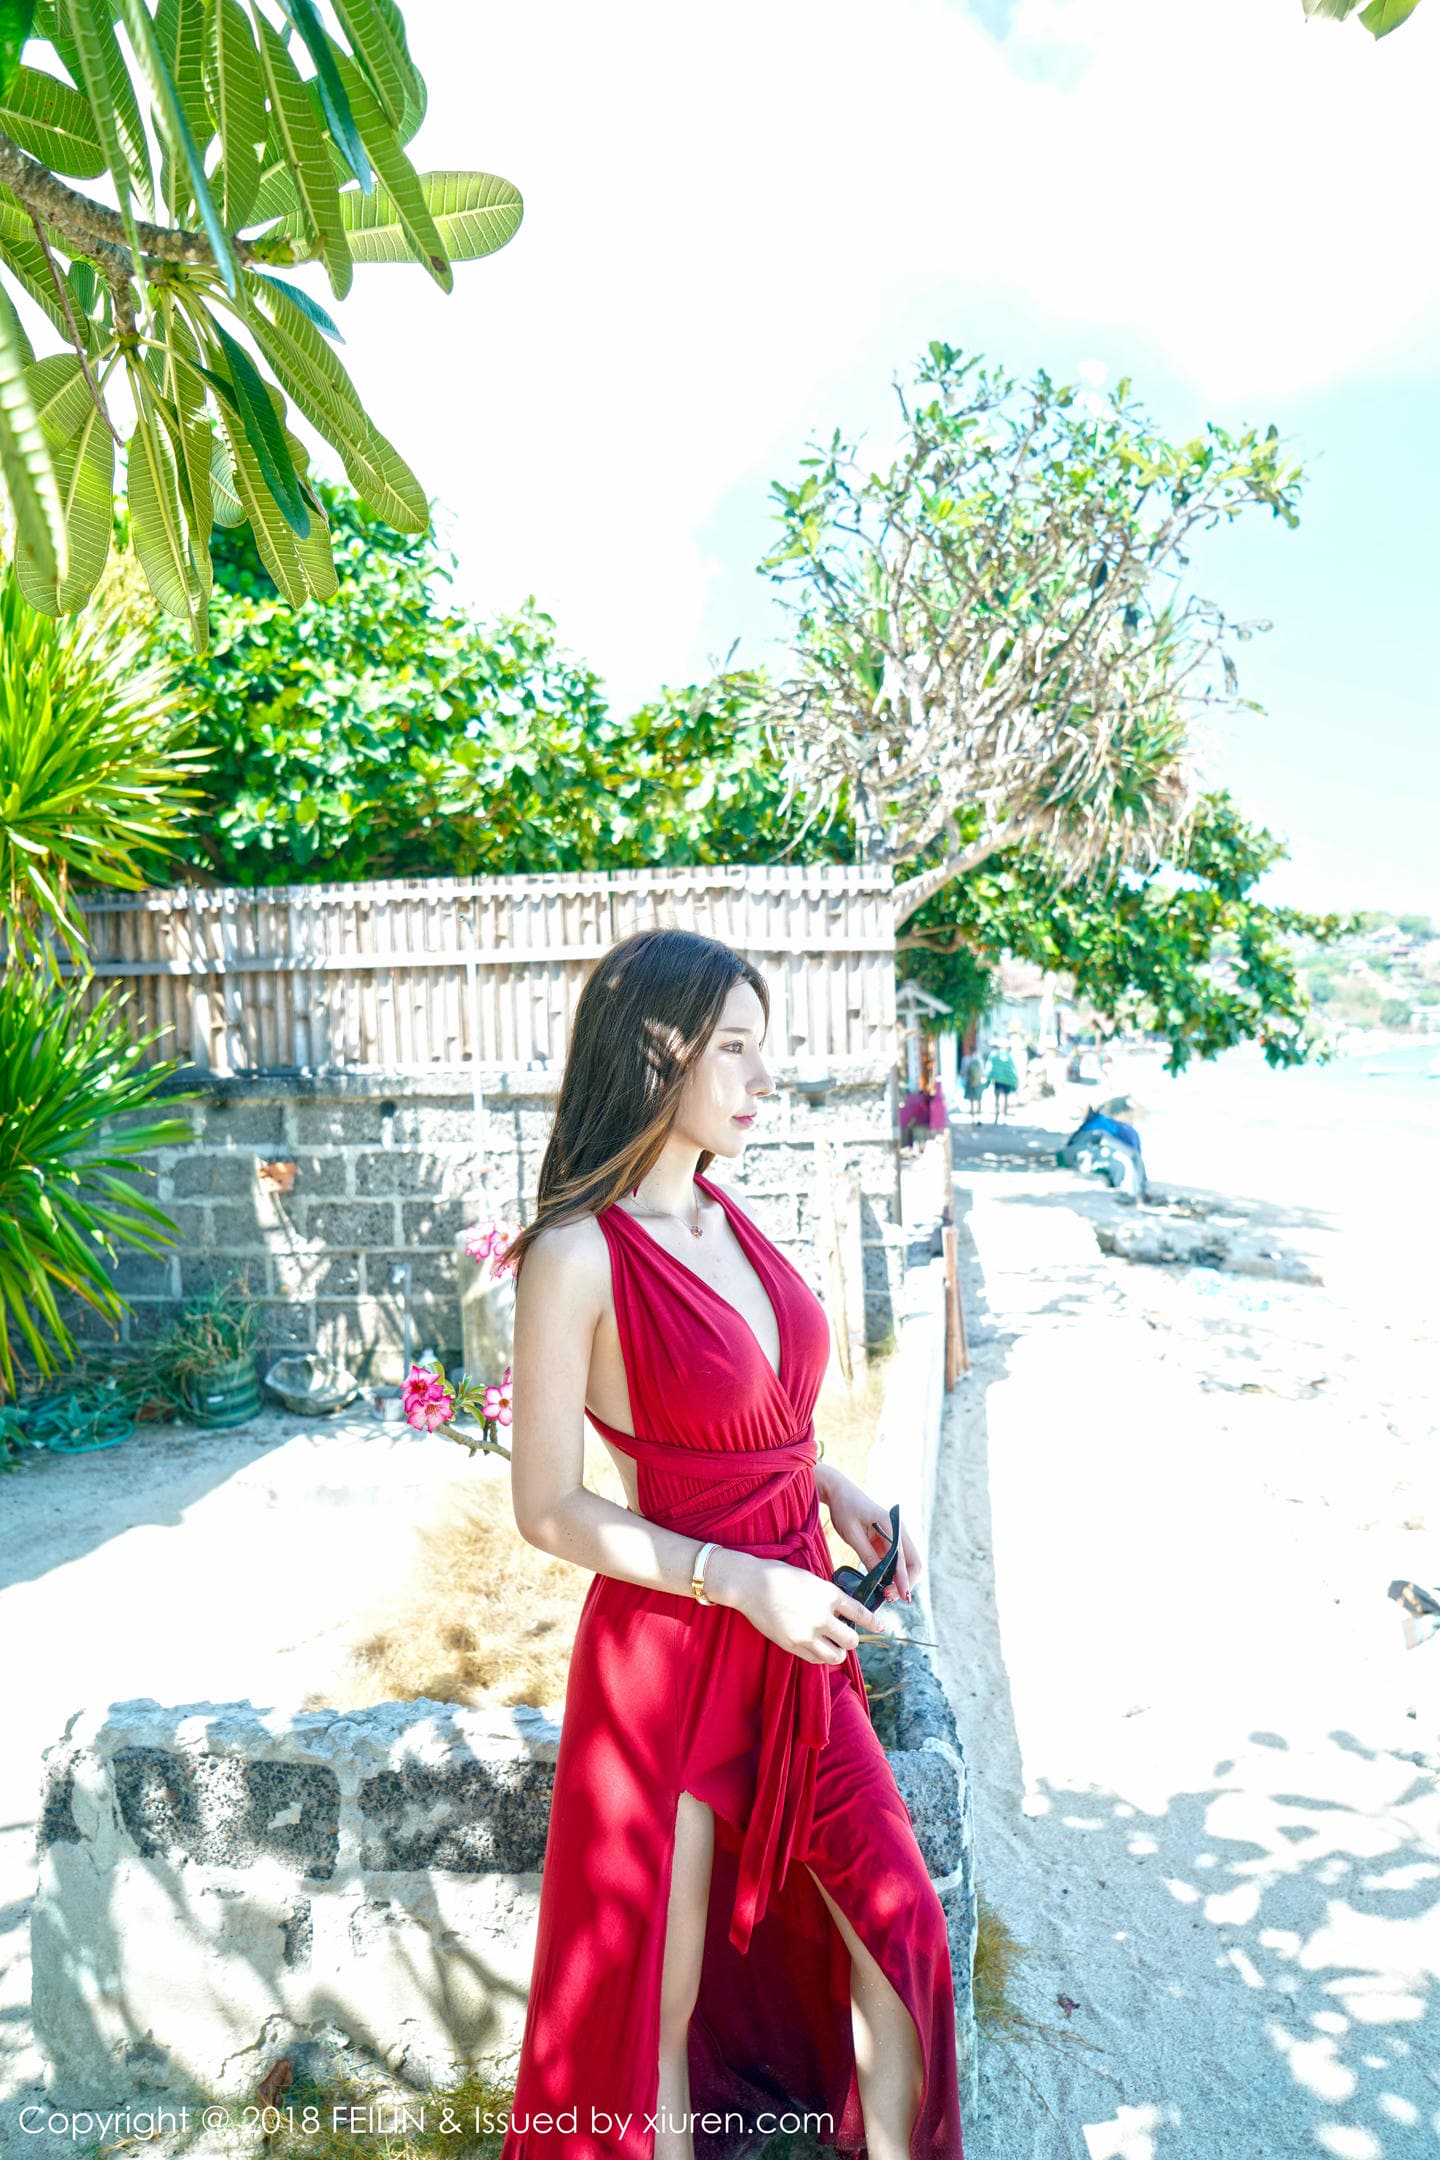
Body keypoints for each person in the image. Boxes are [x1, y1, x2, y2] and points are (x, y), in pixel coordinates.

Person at [499, 927, 965, 2160]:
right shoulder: (573, 1255)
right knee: (654, 2002)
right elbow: (547, 1507)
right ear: (656, 1051)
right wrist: (736, 1577)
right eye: (738, 1050)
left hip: (795, 1640)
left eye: (766, 1050)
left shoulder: (721, 1213)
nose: (766, 1079)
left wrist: (833, 1484)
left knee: (902, 1930)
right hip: (671, 1657)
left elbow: (753, 1429)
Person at [985, 1042, 1019, 1121]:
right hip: (1007, 1081)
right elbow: (1013, 1069)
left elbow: (991, 1068)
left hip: (998, 1081)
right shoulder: (1009, 1057)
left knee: (997, 1098)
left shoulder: (995, 1056)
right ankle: (1004, 1117)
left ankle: (997, 1116)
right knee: (1005, 1099)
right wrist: (1015, 1079)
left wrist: (989, 1078)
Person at [960, 1049, 985, 1123]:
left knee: (971, 1100)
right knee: (979, 1100)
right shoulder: (980, 1060)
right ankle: (979, 1117)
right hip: (978, 1082)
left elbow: (963, 1072)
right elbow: (983, 1072)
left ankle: (973, 1119)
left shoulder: (966, 1059)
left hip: (970, 1082)